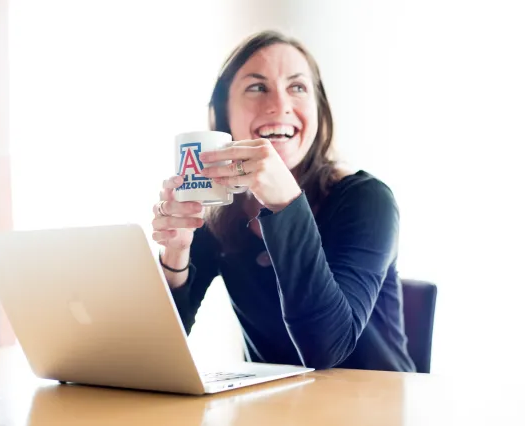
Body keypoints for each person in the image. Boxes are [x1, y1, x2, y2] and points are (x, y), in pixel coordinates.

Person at [151, 30, 416, 372]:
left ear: (319, 109)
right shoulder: (220, 212)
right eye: (257, 87)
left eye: (298, 87)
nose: (280, 105)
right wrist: (175, 253)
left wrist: (285, 204)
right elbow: (160, 349)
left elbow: (326, 351)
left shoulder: (367, 200)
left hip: (375, 408)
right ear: (224, 114)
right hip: (274, 410)